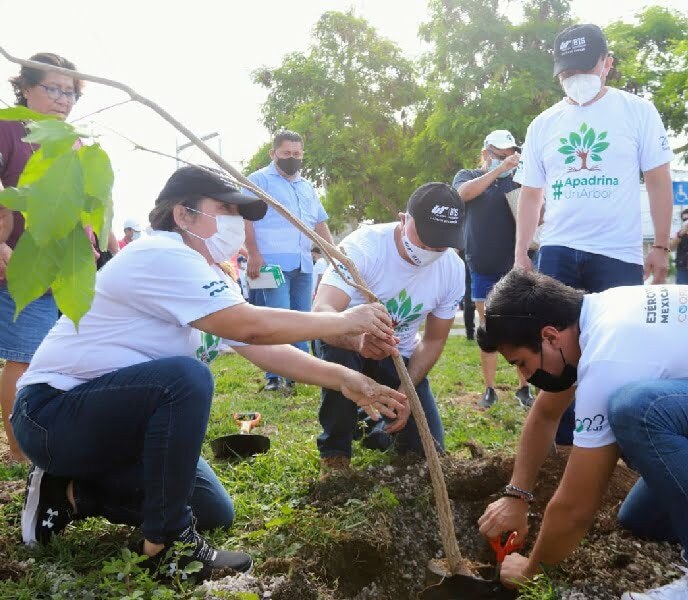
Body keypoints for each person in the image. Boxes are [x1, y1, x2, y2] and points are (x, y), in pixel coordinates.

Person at [11, 166, 404, 581]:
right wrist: (343, 321)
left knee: (213, 509)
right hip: (53, 415)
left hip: (114, 424)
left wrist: (344, 379)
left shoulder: (209, 272)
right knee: (184, 380)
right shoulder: (160, 254)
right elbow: (249, 325)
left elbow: (262, 347)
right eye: (225, 209)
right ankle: (166, 546)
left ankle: (69, 493)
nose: (235, 223)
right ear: (183, 215)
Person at [476, 269, 688, 599]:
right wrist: (517, 495)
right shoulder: (600, 315)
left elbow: (576, 506)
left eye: (522, 363)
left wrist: (530, 571)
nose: (525, 377)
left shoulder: (610, 352)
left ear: (549, 337)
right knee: (646, 518)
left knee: (638, 410)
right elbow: (545, 413)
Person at [513, 23, 675, 445]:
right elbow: (531, 196)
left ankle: (616, 441)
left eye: (584, 69)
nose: (575, 80)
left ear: (608, 64)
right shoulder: (543, 124)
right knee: (557, 350)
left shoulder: (637, 111)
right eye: (566, 73)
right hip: (558, 250)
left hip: (617, 253)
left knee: (617, 349)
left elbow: (658, 180)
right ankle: (565, 442)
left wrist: (659, 244)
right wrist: (520, 255)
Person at [313, 183, 465, 479]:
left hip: (399, 353)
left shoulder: (453, 269)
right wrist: (358, 341)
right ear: (403, 219)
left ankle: (375, 422)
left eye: (442, 244)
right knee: (339, 358)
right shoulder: (364, 247)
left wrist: (405, 392)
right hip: (346, 345)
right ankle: (335, 452)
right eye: (427, 239)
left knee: (426, 451)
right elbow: (321, 315)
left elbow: (433, 340)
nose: (432, 251)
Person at [0, 52, 83, 463]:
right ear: (25, 87)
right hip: (22, 265)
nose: (62, 99)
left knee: (58, 357)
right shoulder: (7, 128)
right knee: (24, 355)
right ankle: (19, 452)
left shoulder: (72, 140)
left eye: (69, 92)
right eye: (52, 88)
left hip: (66, 270)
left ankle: (51, 437)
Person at [244, 130, 333, 392]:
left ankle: (298, 373)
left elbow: (319, 222)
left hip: (303, 263)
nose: (292, 158)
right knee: (277, 320)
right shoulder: (258, 181)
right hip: (271, 263)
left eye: (296, 154)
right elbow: (247, 219)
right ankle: (274, 376)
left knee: (301, 320)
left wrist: (333, 254)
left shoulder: (306, 187)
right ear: (273, 154)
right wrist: (253, 253)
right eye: (286, 154)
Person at [454, 130, 534, 409]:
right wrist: (497, 170)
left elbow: (538, 213)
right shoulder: (468, 175)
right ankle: (489, 388)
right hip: (482, 264)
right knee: (488, 328)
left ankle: (524, 387)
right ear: (486, 153)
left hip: (516, 265)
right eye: (500, 154)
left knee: (521, 326)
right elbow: (462, 195)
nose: (507, 159)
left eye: (511, 154)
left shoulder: (520, 179)